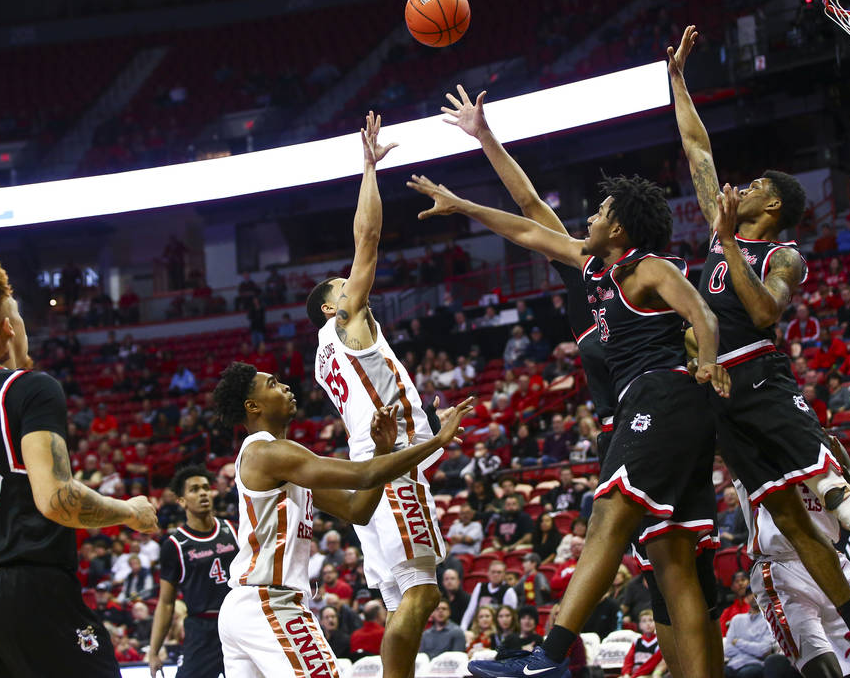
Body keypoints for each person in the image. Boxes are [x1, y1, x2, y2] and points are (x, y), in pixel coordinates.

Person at [410, 166, 727, 677]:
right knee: (672, 561)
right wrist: (463, 205)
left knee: (606, 520)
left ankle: (549, 656)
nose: (590, 217)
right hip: (656, 409)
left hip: (661, 395)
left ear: (619, 229)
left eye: (601, 212)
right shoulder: (592, 269)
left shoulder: (650, 268)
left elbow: (704, 316)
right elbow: (527, 229)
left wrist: (709, 360)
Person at [671, 24, 850, 673]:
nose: (740, 186)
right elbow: (697, 150)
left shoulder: (782, 254)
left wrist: (730, 245)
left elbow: (766, 310)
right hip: (718, 396)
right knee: (786, 518)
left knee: (829, 488)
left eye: (756, 187)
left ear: (771, 204)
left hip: (764, 381)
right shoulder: (725, 230)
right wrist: (679, 80)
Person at [0, 258, 158, 678]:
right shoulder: (30, 388)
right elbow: (57, 500)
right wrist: (130, 512)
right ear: (8, 327)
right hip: (30, 589)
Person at [214, 361, 472, 678]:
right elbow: (363, 476)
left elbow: (356, 509)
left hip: (244, 608)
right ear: (252, 406)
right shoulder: (267, 453)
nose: (285, 387)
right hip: (270, 601)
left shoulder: (282, 464)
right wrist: (436, 441)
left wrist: (381, 453)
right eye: (274, 384)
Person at [306, 113, 449, 678]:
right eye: (344, 287)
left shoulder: (322, 355)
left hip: (368, 470)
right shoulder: (346, 318)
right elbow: (367, 240)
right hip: (390, 466)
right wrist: (368, 168)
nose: (356, 286)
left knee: (398, 600)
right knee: (422, 596)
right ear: (330, 305)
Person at [733, 439, 850, 678]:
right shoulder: (755, 458)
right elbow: (726, 443)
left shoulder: (821, 458)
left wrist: (839, 462)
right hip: (780, 569)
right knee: (823, 670)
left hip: (832, 563)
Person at [149, 465, 238, 678]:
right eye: (194, 489)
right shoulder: (175, 545)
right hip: (202, 630)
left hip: (238, 623)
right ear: (181, 501)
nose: (202, 493)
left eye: (206, 488)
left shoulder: (234, 530)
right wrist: (153, 651)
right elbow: (166, 602)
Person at [723, 589, 775, 678]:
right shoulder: (737, 619)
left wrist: (738, 642)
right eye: (750, 594)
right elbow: (728, 650)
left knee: (745, 674)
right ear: (746, 599)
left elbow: (763, 650)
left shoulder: (769, 620)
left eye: (757, 593)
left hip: (755, 664)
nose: (754, 596)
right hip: (734, 663)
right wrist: (753, 649)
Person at [460, 561, 517, 632]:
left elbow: (510, 618)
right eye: (493, 572)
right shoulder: (480, 587)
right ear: (488, 573)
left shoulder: (509, 591)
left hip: (497, 631)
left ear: (504, 574)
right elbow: (471, 610)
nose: (495, 575)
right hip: (479, 628)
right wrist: (463, 628)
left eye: (499, 572)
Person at [619, 610, 664, 678]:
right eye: (644, 621)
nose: (648, 623)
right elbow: (628, 660)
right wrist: (626, 674)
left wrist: (635, 676)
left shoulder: (659, 642)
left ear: (656, 623)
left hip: (648, 674)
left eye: (651, 620)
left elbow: (652, 663)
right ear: (640, 625)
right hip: (634, 674)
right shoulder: (637, 641)